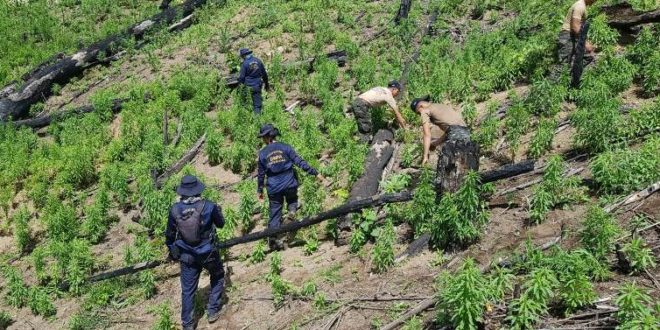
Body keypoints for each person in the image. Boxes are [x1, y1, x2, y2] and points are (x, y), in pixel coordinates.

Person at [165, 175, 225, 330]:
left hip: (187, 255)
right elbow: (221, 224)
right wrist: (218, 211)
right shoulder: (209, 206)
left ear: (182, 192)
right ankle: (212, 310)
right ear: (198, 189)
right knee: (217, 275)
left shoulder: (174, 209)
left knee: (187, 291)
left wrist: (173, 252)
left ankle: (188, 324)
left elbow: (170, 235)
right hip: (207, 252)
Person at [256, 124, 323, 250]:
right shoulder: (285, 147)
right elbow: (299, 162)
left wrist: (260, 190)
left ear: (267, 137)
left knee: (275, 212)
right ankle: (291, 213)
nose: (262, 140)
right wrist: (315, 173)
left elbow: (261, 175)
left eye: (263, 137)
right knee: (292, 199)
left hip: (274, 187)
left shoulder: (263, 153)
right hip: (289, 182)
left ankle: (274, 241)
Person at [410, 96, 469, 165]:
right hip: (467, 133)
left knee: (444, 165)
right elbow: (452, 130)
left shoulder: (424, 110)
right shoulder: (440, 106)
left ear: (421, 106)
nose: (419, 115)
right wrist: (436, 143)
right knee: (462, 164)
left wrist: (425, 156)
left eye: (418, 113)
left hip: (455, 134)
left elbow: (427, 135)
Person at [557, 0, 596, 66]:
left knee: (586, 57)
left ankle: (573, 74)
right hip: (567, 36)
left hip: (572, 36)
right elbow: (575, 27)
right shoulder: (580, 6)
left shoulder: (582, 6)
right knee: (564, 66)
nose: (594, 1)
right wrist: (585, 43)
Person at [238, 48, 270, 114]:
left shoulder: (244, 64)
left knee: (246, 104)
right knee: (257, 105)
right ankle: (257, 120)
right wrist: (266, 84)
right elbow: (264, 74)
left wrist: (239, 87)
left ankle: (251, 119)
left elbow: (241, 77)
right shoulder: (258, 61)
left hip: (247, 86)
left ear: (243, 56)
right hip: (257, 86)